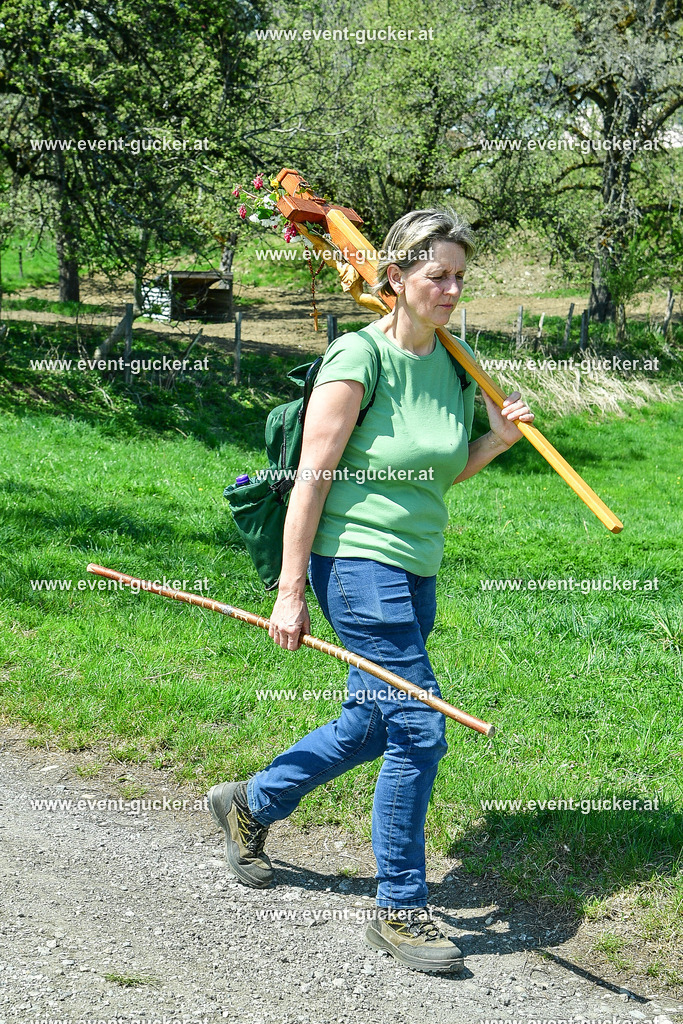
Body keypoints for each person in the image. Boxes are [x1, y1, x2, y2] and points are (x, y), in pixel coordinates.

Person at [208, 208, 534, 974]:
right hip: (353, 564)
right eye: (435, 276)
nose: (451, 289)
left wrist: (493, 438)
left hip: (415, 566)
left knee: (375, 722)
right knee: (419, 729)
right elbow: (310, 482)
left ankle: (252, 801)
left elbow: (433, 471)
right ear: (394, 278)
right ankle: (399, 907)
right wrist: (290, 590)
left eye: (459, 276)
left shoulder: (452, 363)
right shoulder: (358, 359)